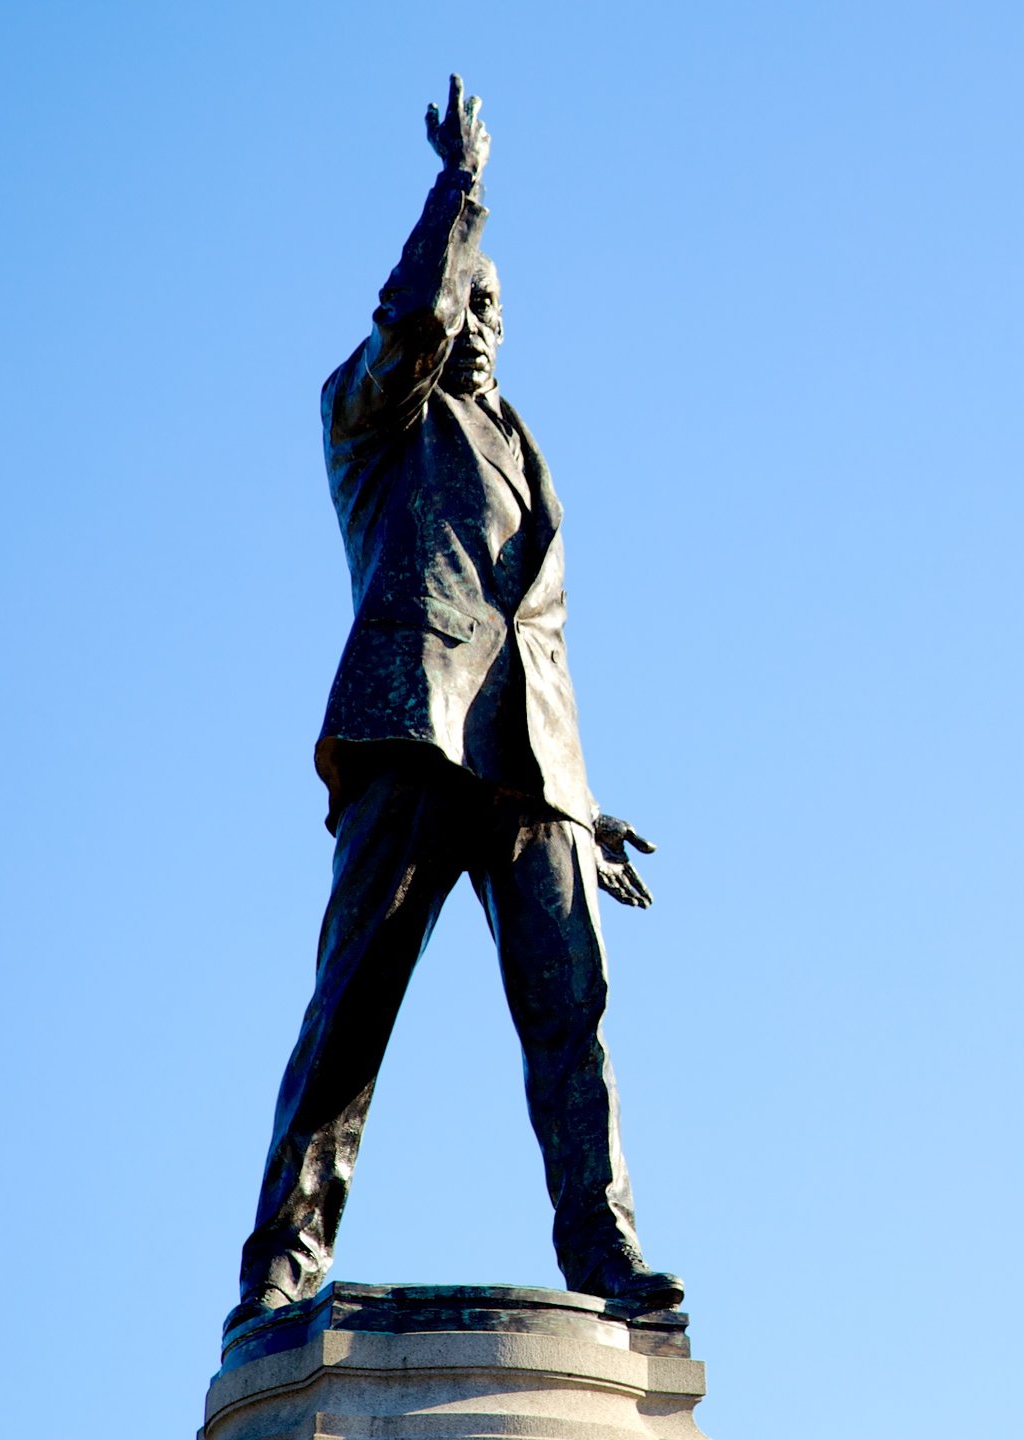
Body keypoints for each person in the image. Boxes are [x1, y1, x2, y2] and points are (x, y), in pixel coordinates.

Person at [225, 76, 681, 1338]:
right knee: (352, 1014)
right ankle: (282, 1261)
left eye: (494, 305)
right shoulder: (371, 420)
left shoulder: (527, 452)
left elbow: (532, 639)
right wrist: (460, 195)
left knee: (572, 1020)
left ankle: (609, 1258)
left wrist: (586, 803)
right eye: (466, 296)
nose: (475, 319)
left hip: (531, 778)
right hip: (409, 735)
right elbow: (412, 318)